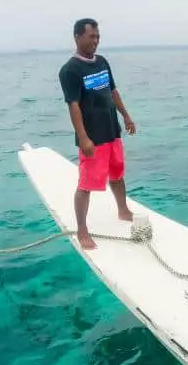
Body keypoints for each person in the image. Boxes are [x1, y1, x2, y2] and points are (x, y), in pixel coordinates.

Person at [58, 18, 137, 250]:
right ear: (77, 37)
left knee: (117, 174)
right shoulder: (70, 70)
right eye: (91, 36)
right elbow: (73, 105)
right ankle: (82, 231)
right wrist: (83, 138)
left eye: (97, 36)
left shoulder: (102, 62)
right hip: (92, 137)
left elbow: (113, 91)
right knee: (86, 184)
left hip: (111, 131)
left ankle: (122, 210)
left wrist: (126, 116)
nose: (95, 41)